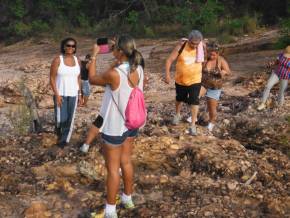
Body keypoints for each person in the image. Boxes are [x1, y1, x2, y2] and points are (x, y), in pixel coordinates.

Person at [88, 35, 144, 218]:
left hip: (114, 126)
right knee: (126, 161)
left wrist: (95, 55)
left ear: (119, 51)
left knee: (112, 170)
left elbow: (92, 78)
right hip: (132, 123)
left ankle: (110, 211)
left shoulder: (114, 74)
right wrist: (117, 56)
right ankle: (127, 198)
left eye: (114, 48)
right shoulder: (139, 68)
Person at [165, 30, 203, 136]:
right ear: (188, 40)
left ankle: (193, 125)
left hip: (195, 80)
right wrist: (167, 75)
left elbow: (209, 58)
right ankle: (177, 114)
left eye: (197, 44)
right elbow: (169, 60)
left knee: (194, 101)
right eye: (192, 43)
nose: (194, 46)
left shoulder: (201, 47)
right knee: (179, 98)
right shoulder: (181, 46)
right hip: (180, 80)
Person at [49, 37, 82, 148]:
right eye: (68, 45)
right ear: (64, 46)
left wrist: (80, 94)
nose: (70, 48)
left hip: (74, 94)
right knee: (61, 118)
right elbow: (52, 78)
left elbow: (79, 78)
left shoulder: (77, 60)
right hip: (61, 93)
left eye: (73, 46)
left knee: (70, 118)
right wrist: (57, 95)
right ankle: (59, 133)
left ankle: (64, 141)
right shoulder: (58, 60)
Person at [200, 42, 231, 132]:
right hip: (204, 84)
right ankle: (193, 117)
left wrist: (224, 72)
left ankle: (211, 123)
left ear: (217, 54)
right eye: (210, 54)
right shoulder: (205, 59)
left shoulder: (221, 60)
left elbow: (229, 72)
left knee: (211, 108)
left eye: (214, 55)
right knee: (195, 97)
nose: (212, 56)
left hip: (215, 87)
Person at [257, 45, 290, 110]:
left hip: (285, 77)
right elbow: (276, 62)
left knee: (281, 92)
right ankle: (263, 103)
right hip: (276, 73)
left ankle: (280, 106)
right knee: (267, 86)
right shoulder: (281, 55)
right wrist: (271, 64)